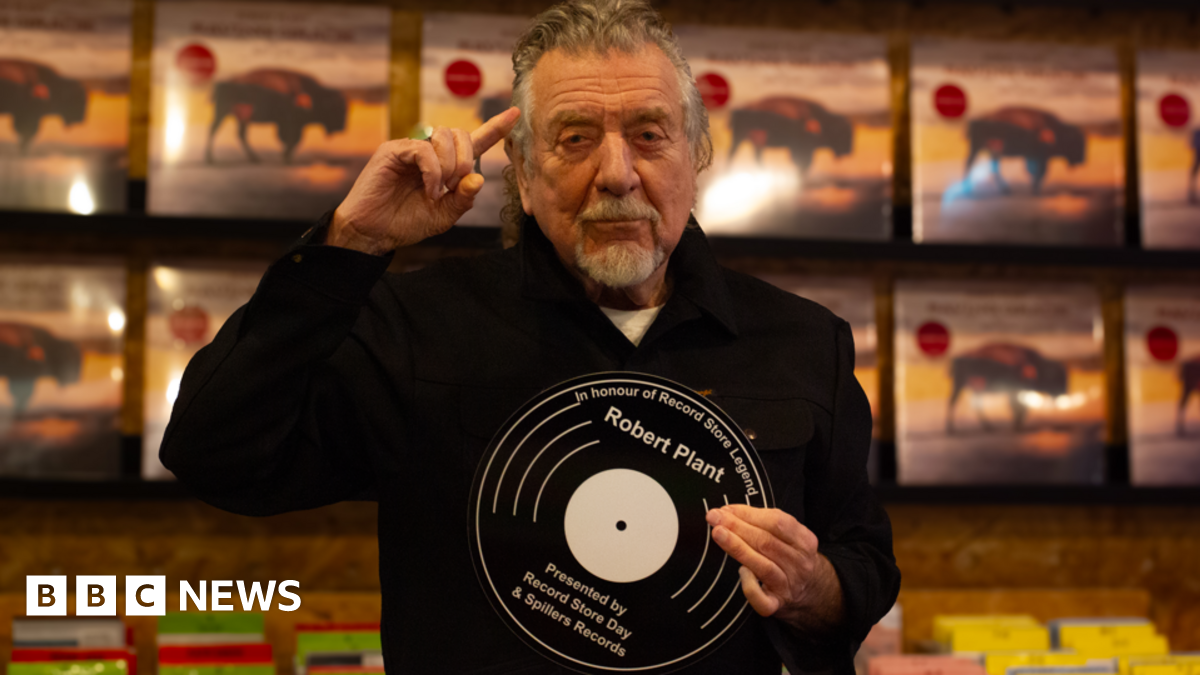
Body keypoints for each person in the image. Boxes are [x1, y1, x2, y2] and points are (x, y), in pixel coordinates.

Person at [160, 1, 900, 673]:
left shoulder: (803, 341)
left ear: (694, 155)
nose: (617, 174)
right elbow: (214, 453)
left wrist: (816, 588)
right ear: (520, 168)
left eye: (649, 135)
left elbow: (862, 561)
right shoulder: (417, 324)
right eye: (575, 139)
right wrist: (350, 244)